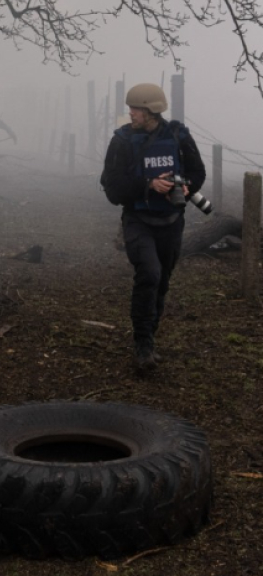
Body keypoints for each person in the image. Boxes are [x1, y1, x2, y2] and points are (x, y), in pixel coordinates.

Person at [100, 83, 206, 372]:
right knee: (149, 273)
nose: (130, 113)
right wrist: (148, 185)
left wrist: (185, 188)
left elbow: (198, 172)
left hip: (171, 221)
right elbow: (112, 189)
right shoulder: (121, 141)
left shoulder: (177, 135)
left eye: (136, 109)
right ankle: (143, 344)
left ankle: (150, 336)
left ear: (151, 111)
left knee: (162, 281)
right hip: (138, 220)